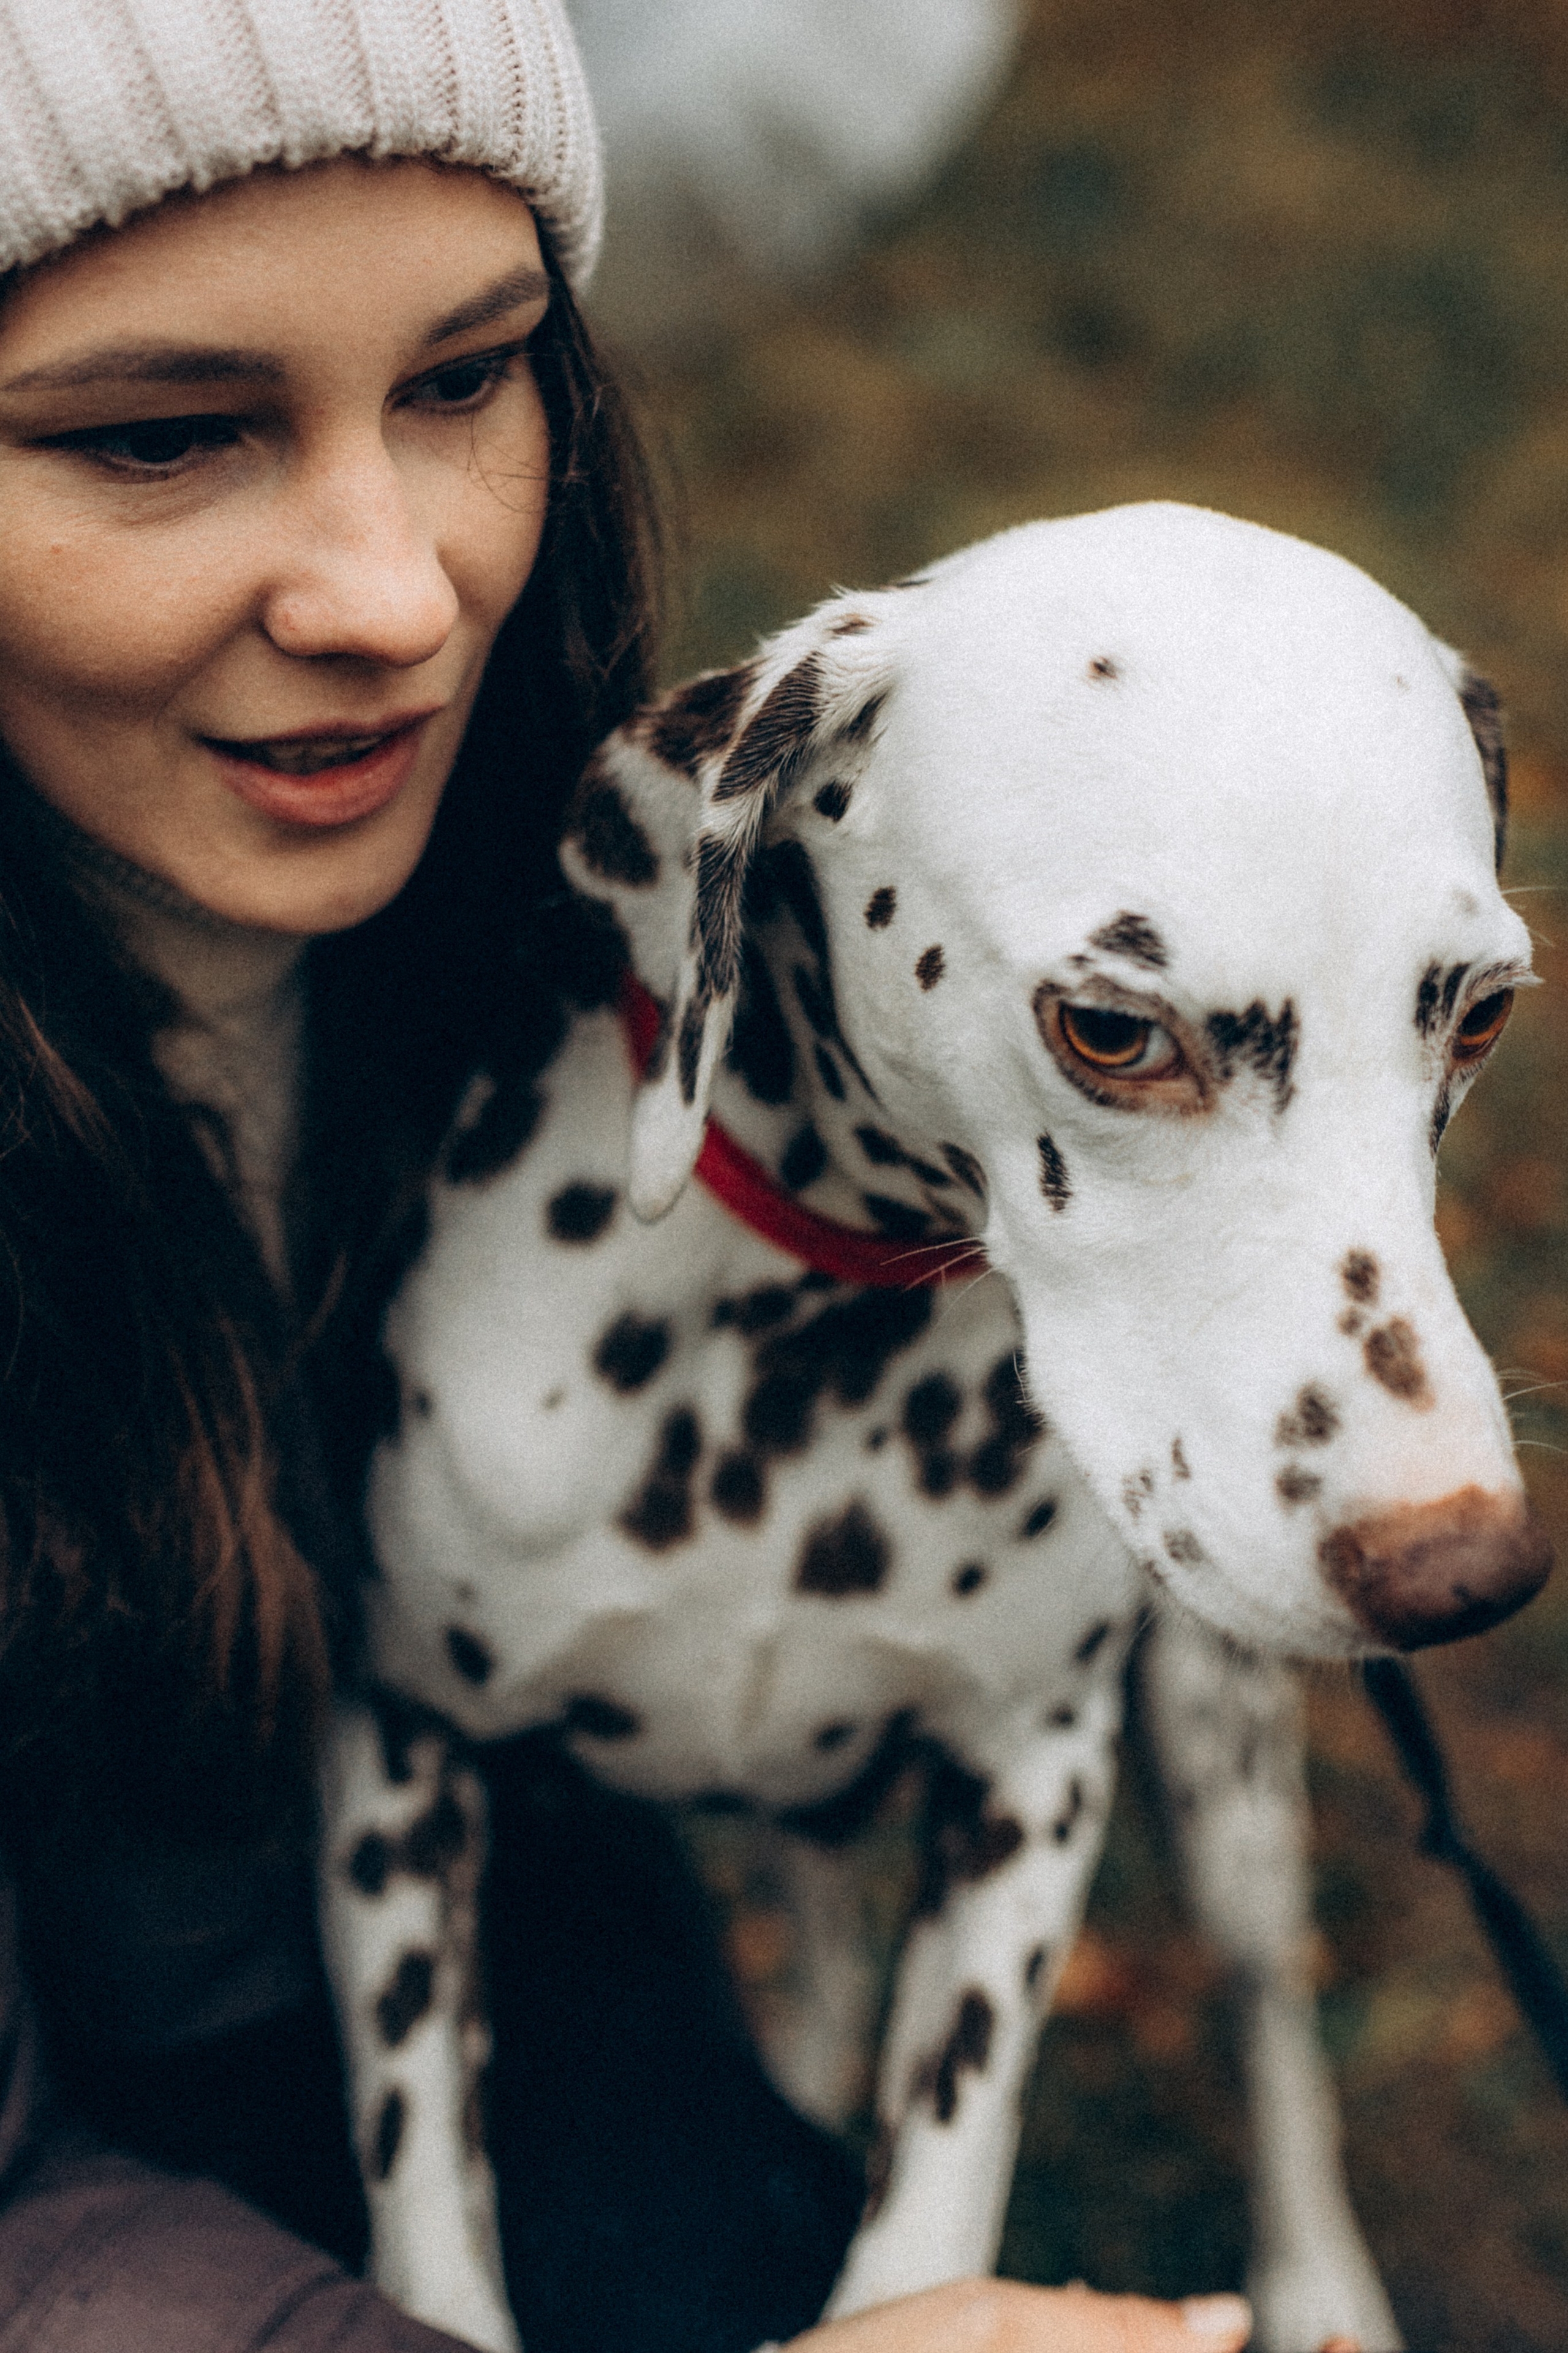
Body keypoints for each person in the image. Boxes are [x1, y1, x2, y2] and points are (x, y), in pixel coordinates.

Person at [0, 3, 1292, 2349]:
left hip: (521, 1954)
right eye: (162, 434)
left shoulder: (586, 896)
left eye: (466, 379)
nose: (397, 596)